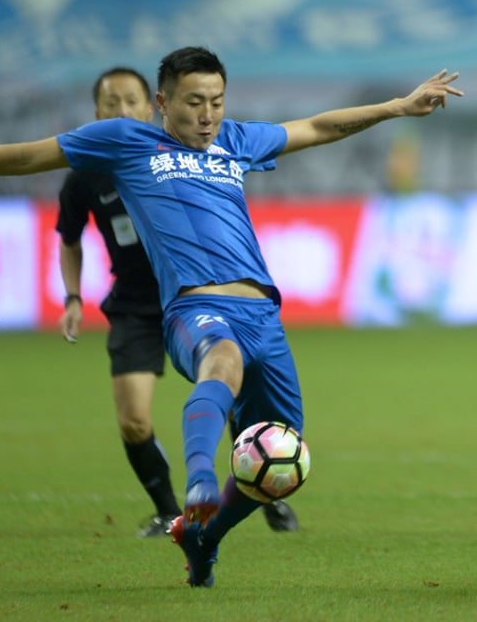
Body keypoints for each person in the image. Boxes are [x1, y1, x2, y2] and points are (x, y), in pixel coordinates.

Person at [0, 46, 463, 587]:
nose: (208, 114)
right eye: (194, 102)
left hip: (264, 312)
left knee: (284, 457)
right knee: (223, 362)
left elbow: (316, 127)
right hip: (196, 305)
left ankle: (202, 537)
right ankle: (199, 482)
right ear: (163, 102)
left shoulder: (236, 140)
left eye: (216, 101)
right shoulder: (125, 141)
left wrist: (397, 107)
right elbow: (28, 155)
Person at [56, 66, 298, 537]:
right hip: (135, 305)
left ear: (152, 106)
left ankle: (260, 496)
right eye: (111, 104)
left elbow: (305, 132)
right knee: (133, 419)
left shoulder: (186, 154)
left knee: (233, 391)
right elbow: (69, 238)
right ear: (97, 113)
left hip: (200, 298)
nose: (121, 111)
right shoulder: (87, 174)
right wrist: (72, 296)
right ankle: (171, 509)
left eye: (131, 102)